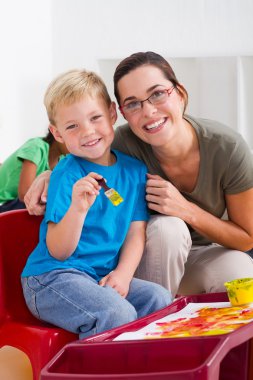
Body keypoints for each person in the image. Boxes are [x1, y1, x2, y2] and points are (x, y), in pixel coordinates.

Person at [24, 52, 253, 298]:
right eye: (133, 103)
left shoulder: (226, 147)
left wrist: (186, 209)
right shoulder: (121, 142)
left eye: (157, 94)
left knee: (240, 272)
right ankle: (156, 321)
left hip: (202, 252)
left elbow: (246, 239)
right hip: (148, 259)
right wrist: (50, 174)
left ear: (180, 93)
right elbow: (84, 155)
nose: (149, 111)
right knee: (169, 229)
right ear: (120, 112)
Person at [21, 69, 172, 340]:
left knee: (159, 299)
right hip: (52, 278)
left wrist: (124, 275)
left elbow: (135, 232)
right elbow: (58, 251)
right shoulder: (66, 174)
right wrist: (78, 208)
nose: (87, 132)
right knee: (116, 313)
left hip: (98, 276)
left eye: (95, 118)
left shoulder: (134, 171)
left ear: (113, 114)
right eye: (72, 126)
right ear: (57, 134)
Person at [0, 130, 67, 212]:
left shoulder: (64, 160)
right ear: (57, 134)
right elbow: (24, 194)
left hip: (16, 203)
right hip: (4, 204)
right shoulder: (37, 147)